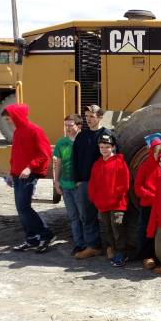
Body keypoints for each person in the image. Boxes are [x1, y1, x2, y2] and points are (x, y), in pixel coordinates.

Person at [3, 104, 54, 253]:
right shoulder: (17, 132)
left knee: (24, 206)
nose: (8, 122)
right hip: (18, 175)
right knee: (21, 208)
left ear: (16, 116)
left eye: (8, 119)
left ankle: (46, 235)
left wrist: (29, 167)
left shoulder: (35, 130)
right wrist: (10, 173)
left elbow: (44, 153)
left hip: (29, 174)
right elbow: (15, 155)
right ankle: (32, 239)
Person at [73, 105, 114, 260]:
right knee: (87, 215)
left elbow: (116, 158)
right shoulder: (81, 136)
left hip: (103, 184)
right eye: (87, 116)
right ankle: (93, 246)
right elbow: (75, 159)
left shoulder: (108, 135)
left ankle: (112, 246)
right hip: (85, 183)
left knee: (107, 216)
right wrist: (77, 180)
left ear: (100, 117)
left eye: (92, 116)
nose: (88, 119)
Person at [87, 134, 130, 267]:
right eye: (101, 147)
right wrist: (94, 198)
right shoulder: (97, 164)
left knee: (118, 229)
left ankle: (122, 253)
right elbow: (93, 183)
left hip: (117, 204)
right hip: (102, 204)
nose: (104, 149)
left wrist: (116, 196)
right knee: (108, 229)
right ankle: (113, 248)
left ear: (113, 147)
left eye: (107, 147)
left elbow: (125, 183)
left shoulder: (119, 162)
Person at [133, 136, 161, 269]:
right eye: (155, 152)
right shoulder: (145, 166)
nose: (158, 155)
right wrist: (151, 196)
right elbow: (138, 187)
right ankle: (147, 256)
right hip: (148, 204)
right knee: (147, 231)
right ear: (151, 151)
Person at [53, 114, 83, 255]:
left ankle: (90, 244)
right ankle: (79, 244)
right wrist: (56, 182)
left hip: (79, 186)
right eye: (66, 125)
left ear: (79, 126)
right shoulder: (61, 143)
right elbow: (57, 163)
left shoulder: (84, 141)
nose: (68, 128)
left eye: (71, 125)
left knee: (84, 216)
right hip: (66, 185)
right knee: (72, 217)